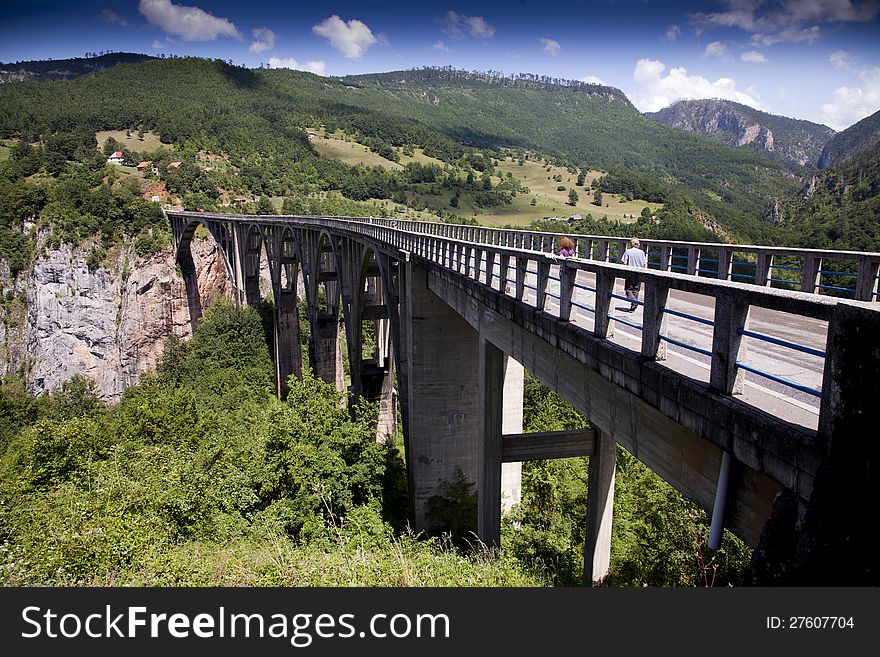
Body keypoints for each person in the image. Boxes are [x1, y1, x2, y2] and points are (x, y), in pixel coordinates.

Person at [620, 237, 647, 312]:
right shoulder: (641, 252)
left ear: (631, 244)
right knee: (636, 290)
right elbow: (644, 264)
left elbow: (624, 263)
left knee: (628, 290)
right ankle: (633, 307)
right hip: (639, 273)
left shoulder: (628, 252)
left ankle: (634, 302)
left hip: (630, 273)